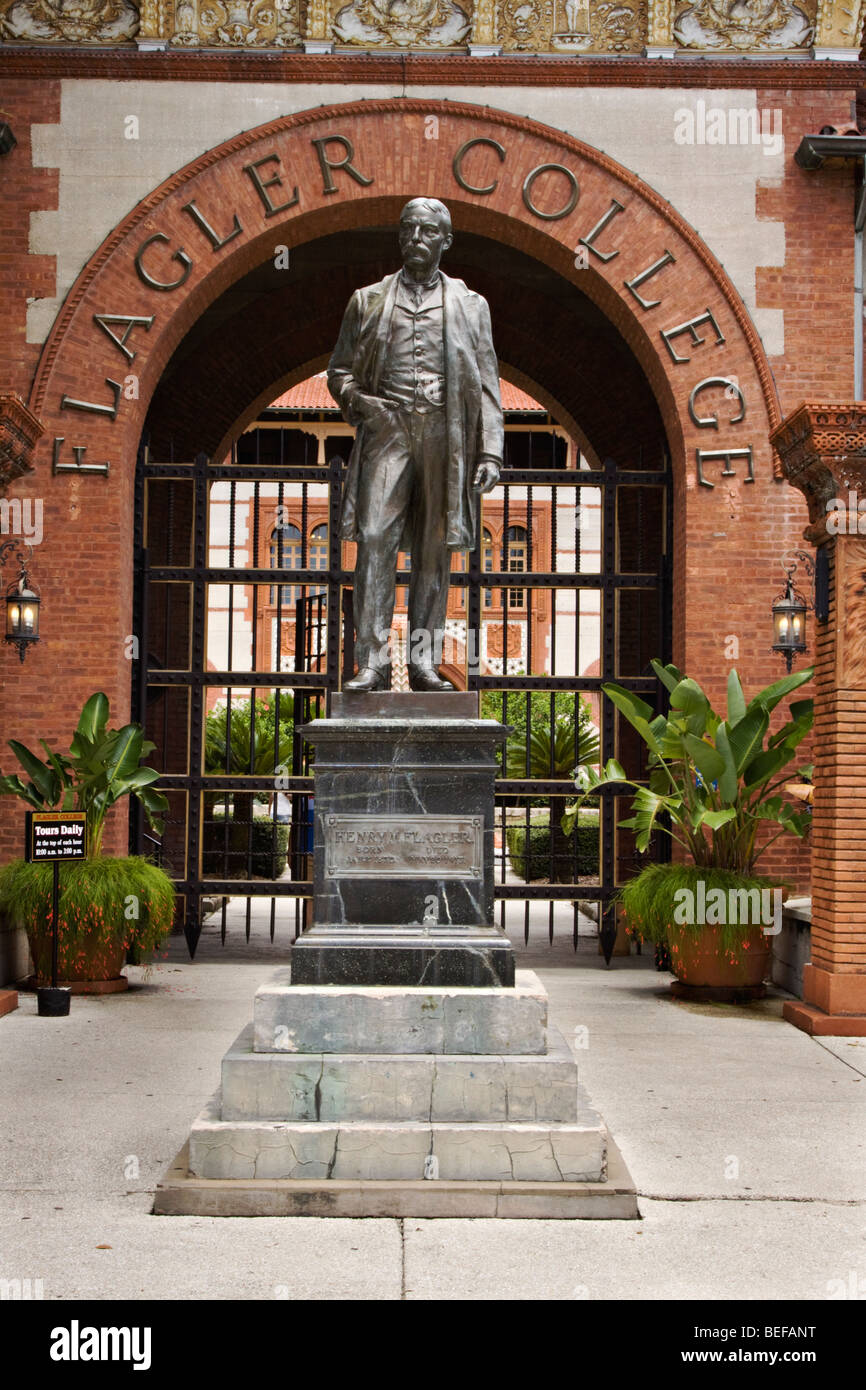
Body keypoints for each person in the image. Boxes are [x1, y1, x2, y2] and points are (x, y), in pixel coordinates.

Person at [327, 196, 504, 693]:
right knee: (376, 538)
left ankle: (424, 664)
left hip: (446, 437)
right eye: (408, 230)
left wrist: (489, 450)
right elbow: (338, 372)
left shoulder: (472, 306)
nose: (415, 240)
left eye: (427, 232)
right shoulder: (368, 301)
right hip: (389, 432)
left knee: (433, 548)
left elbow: (488, 381)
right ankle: (373, 661)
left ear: (445, 240)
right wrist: (363, 404)